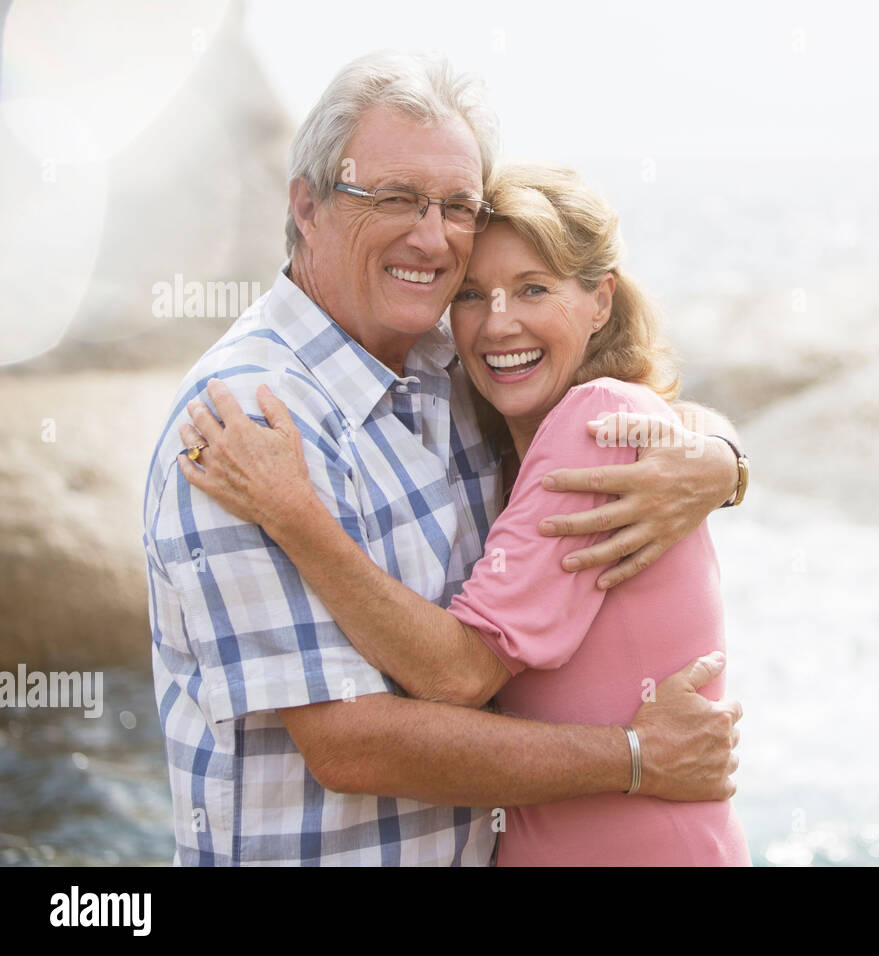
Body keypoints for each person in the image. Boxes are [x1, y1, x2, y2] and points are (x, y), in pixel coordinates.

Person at [142, 51, 744, 866]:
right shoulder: (251, 422)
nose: (431, 238)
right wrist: (635, 756)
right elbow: (353, 745)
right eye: (394, 199)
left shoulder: (450, 369)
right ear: (308, 207)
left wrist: (719, 461)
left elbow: (609, 409)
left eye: (456, 205)